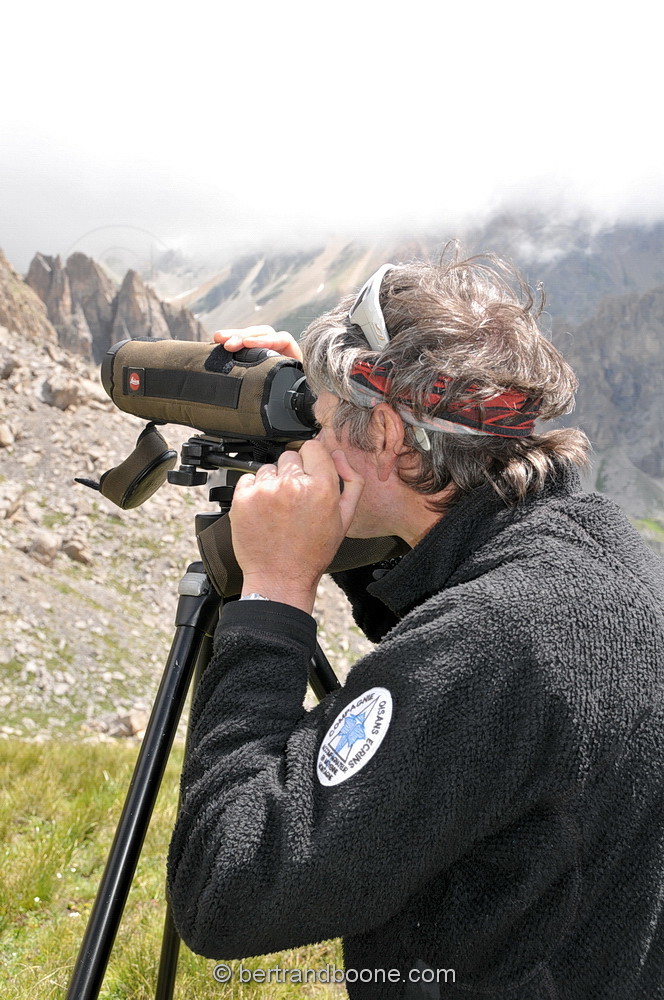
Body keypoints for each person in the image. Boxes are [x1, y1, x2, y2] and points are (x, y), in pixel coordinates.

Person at [166, 251, 664, 999]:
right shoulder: (604, 559)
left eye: (325, 418)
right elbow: (460, 702)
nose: (309, 437)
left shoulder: (493, 640)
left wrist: (271, 592)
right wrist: (343, 402)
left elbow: (226, 890)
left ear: (391, 436)